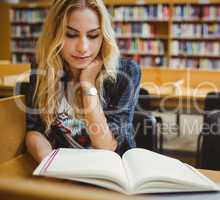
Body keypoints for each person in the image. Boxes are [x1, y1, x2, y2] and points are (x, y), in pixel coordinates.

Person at [24, 0, 140, 163]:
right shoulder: (43, 67)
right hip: (69, 169)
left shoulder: (126, 73)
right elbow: (34, 130)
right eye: (71, 34)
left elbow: (107, 146)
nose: (83, 47)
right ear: (54, 34)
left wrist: (88, 84)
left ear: (103, 36)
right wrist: (49, 163)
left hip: (114, 170)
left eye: (93, 35)